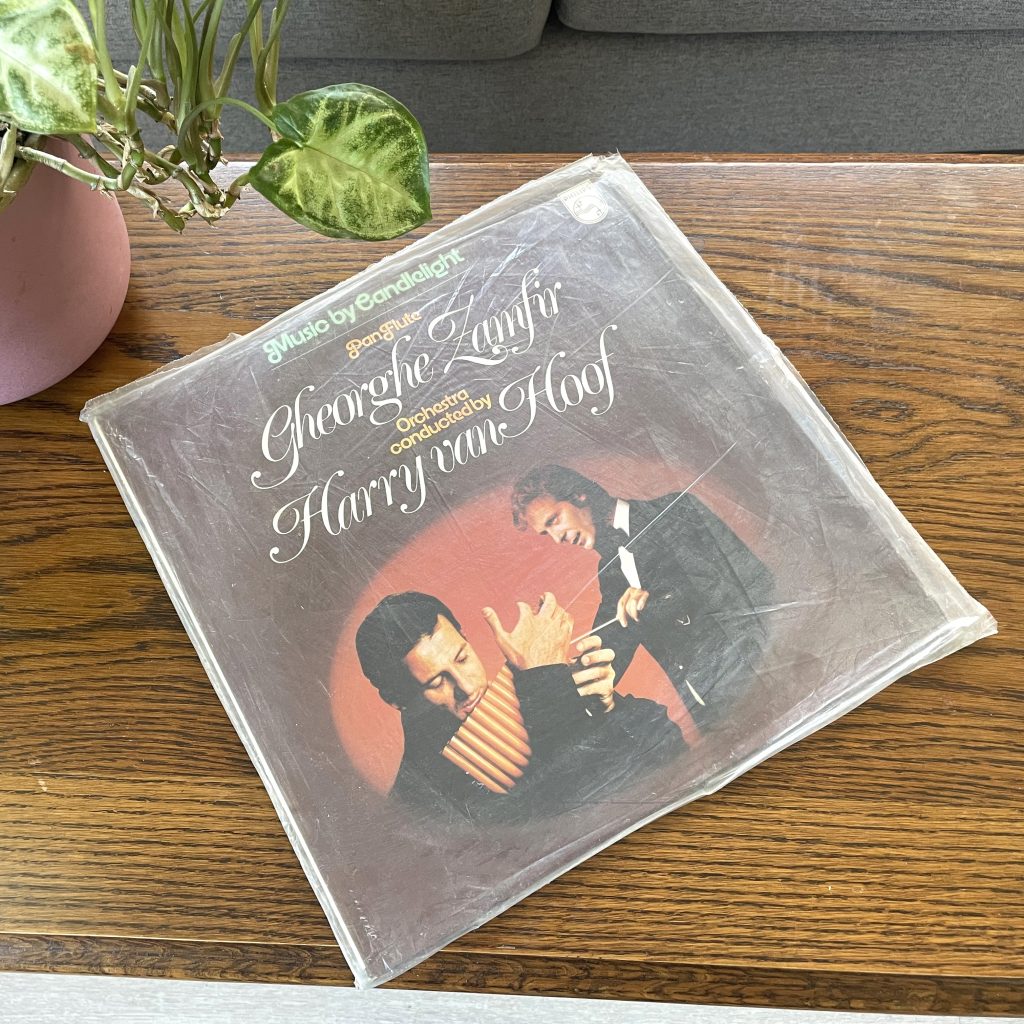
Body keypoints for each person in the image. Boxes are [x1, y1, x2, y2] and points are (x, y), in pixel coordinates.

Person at [355, 590, 684, 820]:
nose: (466, 687)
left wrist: (607, 712)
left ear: (467, 640)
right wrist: (550, 692)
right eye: (435, 682)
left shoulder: (534, 688)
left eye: (462, 657)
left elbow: (670, 751)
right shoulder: (419, 805)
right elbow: (579, 820)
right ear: (397, 700)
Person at [511, 465, 775, 731]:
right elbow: (608, 649)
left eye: (554, 520)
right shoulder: (609, 574)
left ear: (579, 495)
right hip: (714, 720)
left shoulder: (675, 509)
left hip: (767, 679)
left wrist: (657, 601)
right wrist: (557, 671)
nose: (557, 539)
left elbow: (746, 582)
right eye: (546, 533)